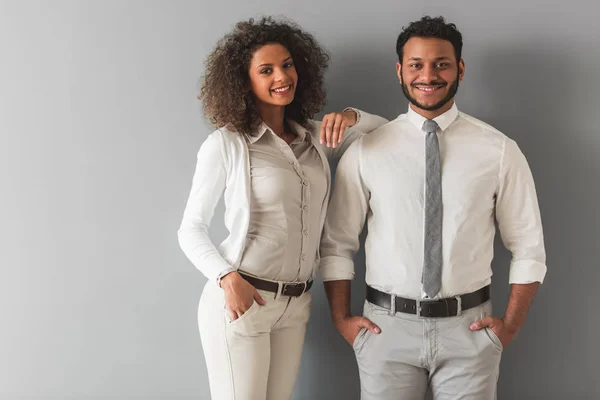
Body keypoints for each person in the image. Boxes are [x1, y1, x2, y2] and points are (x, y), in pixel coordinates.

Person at [320, 16, 547, 399]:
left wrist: (509, 325)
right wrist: (342, 320)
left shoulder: (500, 151)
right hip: (384, 332)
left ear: (459, 68)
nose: (429, 75)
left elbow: (528, 246)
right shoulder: (365, 151)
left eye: (441, 63)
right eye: (416, 65)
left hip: (470, 332)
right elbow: (337, 244)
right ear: (400, 71)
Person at [177, 16, 387, 400]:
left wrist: (351, 116)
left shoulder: (315, 137)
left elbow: (383, 130)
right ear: (245, 81)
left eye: (287, 64)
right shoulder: (228, 144)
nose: (282, 76)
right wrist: (227, 278)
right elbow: (190, 228)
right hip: (243, 300)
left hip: (296, 304)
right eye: (266, 69)